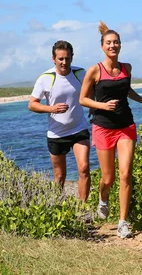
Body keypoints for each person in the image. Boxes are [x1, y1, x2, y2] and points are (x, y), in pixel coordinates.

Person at [79, 21, 142, 238]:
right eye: (109, 43)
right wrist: (102, 105)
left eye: (116, 42)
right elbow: (83, 99)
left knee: (125, 174)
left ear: (120, 45)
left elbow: (126, 89)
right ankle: (103, 199)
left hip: (126, 125)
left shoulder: (127, 68)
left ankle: (123, 222)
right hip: (103, 127)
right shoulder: (95, 70)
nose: (113, 46)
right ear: (102, 46)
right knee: (108, 178)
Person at [28, 40, 91, 202]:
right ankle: (57, 207)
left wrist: (94, 106)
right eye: (60, 59)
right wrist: (51, 109)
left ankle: (83, 209)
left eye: (67, 58)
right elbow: (32, 104)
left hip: (79, 129)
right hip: (57, 134)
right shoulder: (46, 78)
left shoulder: (80, 73)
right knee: (60, 175)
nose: (64, 62)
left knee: (84, 169)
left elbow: (92, 91)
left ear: (72, 57)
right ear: (53, 59)